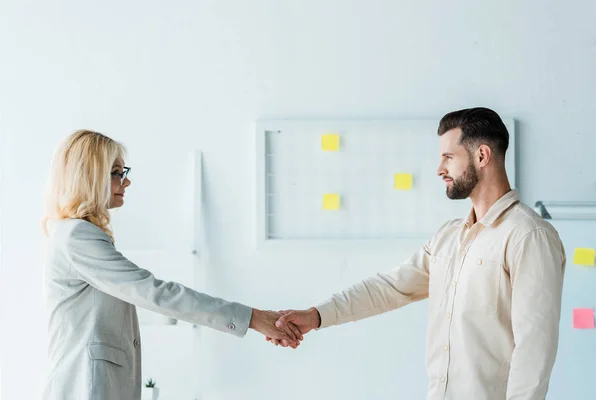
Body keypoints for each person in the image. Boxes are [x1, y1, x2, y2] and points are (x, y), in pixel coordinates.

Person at [270, 108, 566, 399]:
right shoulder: (449, 237)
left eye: (449, 157)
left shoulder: (528, 235)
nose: (440, 169)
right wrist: (316, 315)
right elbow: (389, 288)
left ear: (482, 156)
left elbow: (534, 349)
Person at [41, 130, 302, 400]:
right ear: (89, 176)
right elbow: (153, 292)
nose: (126, 181)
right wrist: (254, 318)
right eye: (116, 172)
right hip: (86, 387)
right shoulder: (77, 236)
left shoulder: (74, 234)